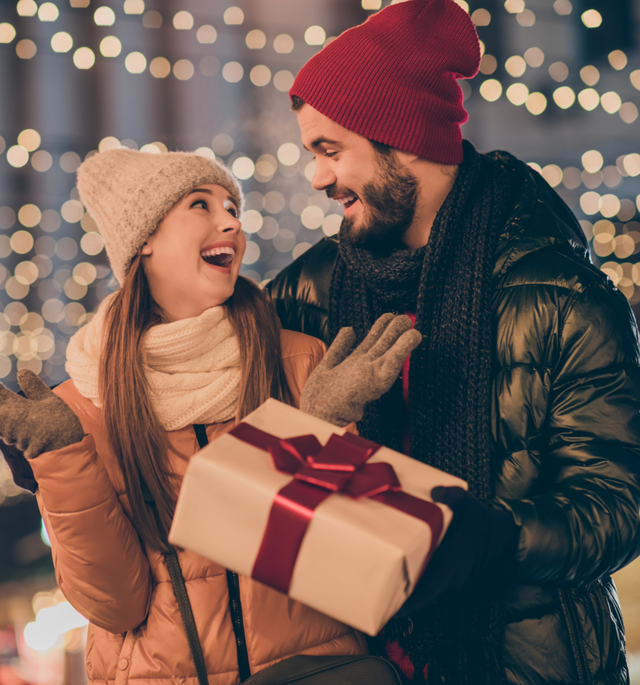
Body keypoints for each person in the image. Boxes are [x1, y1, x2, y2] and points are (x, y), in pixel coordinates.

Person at [265, 0, 640, 683]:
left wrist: (495, 535)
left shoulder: (563, 297)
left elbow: (616, 507)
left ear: (402, 138)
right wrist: (72, 429)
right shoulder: (317, 284)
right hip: (366, 656)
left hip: (527, 663)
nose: (317, 178)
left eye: (331, 150)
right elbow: (193, 356)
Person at [0, 149, 422, 685]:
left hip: (318, 671)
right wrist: (62, 462)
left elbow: (360, 571)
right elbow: (117, 606)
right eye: (201, 205)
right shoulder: (84, 401)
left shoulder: (299, 361)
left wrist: (320, 431)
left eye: (232, 208)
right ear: (144, 239)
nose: (230, 222)